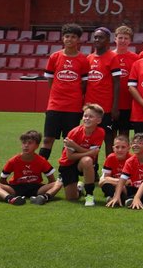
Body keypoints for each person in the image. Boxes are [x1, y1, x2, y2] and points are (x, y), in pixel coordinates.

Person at [42, 22, 90, 160]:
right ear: (63, 38)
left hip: (73, 107)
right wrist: (58, 92)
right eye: (67, 36)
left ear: (78, 39)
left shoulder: (83, 60)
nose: (69, 39)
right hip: (55, 105)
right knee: (47, 139)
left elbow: (84, 83)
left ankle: (64, 174)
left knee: (69, 141)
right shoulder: (54, 57)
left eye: (73, 37)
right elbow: (50, 80)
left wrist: (74, 95)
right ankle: (39, 169)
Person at [0, 129, 60, 206]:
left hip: (36, 188)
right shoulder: (13, 161)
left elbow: (51, 180)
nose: (26, 145)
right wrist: (9, 191)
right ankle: (11, 199)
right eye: (24, 143)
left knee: (59, 183)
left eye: (30, 143)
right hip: (16, 188)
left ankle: (42, 198)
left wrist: (45, 190)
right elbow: (2, 180)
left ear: (37, 146)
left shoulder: (42, 161)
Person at [58, 103, 105, 204]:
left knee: (87, 160)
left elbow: (91, 155)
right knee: (72, 198)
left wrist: (75, 146)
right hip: (68, 164)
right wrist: (90, 152)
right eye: (85, 116)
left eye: (91, 116)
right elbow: (70, 156)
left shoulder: (100, 132)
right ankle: (79, 188)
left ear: (99, 120)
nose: (87, 118)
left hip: (83, 162)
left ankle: (89, 196)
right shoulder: (73, 133)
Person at [84, 27, 120, 157]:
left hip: (106, 107)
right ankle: (92, 167)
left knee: (108, 137)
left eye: (101, 37)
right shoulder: (89, 58)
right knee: (91, 138)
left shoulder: (113, 57)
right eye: (95, 37)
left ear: (108, 40)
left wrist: (115, 106)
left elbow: (117, 83)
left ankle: (109, 168)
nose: (97, 40)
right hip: (90, 107)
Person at [98, 135, 131, 201]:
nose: (120, 150)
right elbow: (106, 177)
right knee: (104, 184)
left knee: (129, 187)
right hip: (115, 183)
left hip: (126, 185)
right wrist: (120, 182)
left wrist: (122, 183)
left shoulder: (132, 159)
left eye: (123, 147)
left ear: (128, 148)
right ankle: (124, 199)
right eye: (117, 147)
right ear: (113, 148)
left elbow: (131, 181)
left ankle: (114, 198)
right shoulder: (110, 158)